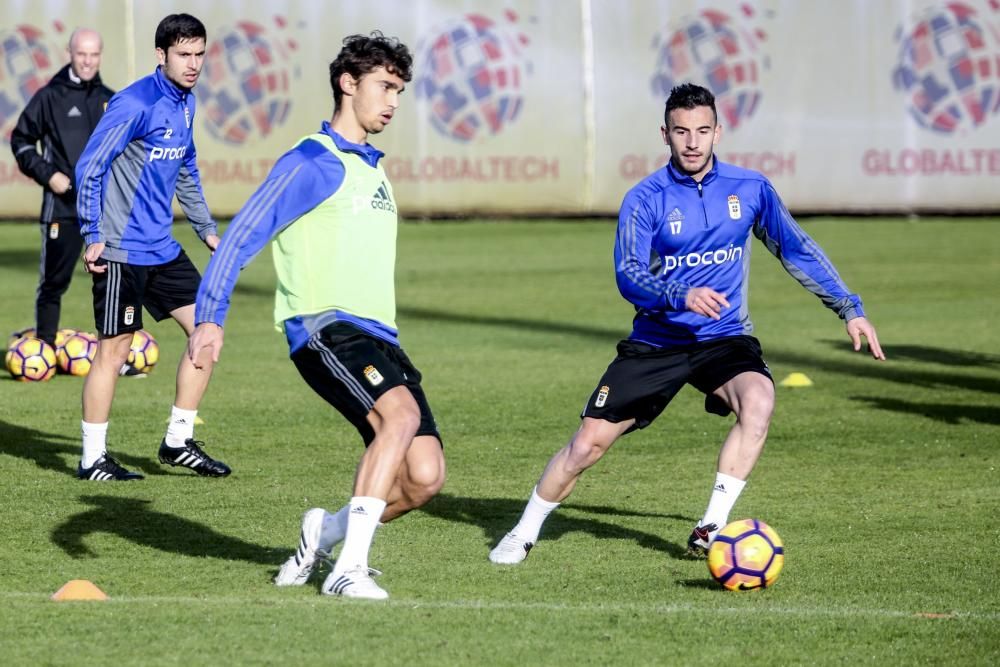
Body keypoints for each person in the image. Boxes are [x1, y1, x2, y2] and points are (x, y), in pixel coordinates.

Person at [489, 83, 885, 566]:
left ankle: (712, 527)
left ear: (718, 131)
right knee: (588, 445)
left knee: (759, 400)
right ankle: (523, 531)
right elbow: (628, 275)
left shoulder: (750, 189)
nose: (692, 142)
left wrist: (849, 307)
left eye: (702, 130)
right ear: (665, 134)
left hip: (724, 338)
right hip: (659, 341)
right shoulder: (646, 198)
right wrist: (681, 294)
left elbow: (796, 248)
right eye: (681, 131)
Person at [187, 32, 446, 600]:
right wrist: (209, 316)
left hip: (381, 337)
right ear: (347, 83)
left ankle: (324, 531)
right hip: (324, 328)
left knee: (425, 477)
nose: (393, 101)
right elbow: (243, 235)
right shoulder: (312, 160)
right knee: (398, 420)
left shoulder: (373, 169)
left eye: (399, 90)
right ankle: (349, 569)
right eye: (384, 86)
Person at [74, 13, 230, 481]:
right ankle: (92, 459)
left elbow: (186, 168)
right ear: (161, 55)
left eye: (200, 54)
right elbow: (89, 167)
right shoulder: (134, 103)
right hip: (120, 250)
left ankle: (178, 442)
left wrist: (206, 230)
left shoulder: (186, 103)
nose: (194, 63)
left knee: (207, 333)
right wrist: (92, 234)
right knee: (115, 352)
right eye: (184, 54)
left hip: (163, 249)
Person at [10, 28, 113, 348]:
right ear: (69, 53)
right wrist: (49, 175)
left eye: (94, 54)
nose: (87, 61)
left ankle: (115, 355)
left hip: (105, 211)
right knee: (53, 283)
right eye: (82, 54)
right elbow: (21, 141)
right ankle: (44, 348)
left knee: (112, 283)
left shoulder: (110, 98)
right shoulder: (49, 97)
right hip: (63, 208)